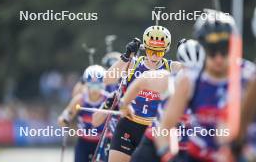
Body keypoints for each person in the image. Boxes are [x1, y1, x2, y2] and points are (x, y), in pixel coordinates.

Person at [155, 10, 256, 162]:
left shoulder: (249, 77)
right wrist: (168, 155)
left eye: (224, 50)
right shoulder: (189, 80)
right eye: (212, 52)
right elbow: (164, 128)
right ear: (202, 48)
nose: (219, 58)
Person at [118, 39, 205, 162]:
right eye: (188, 71)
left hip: (188, 147)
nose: (191, 77)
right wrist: (124, 104)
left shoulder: (211, 87)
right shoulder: (168, 79)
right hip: (154, 142)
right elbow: (142, 80)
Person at [103, 25, 182, 162]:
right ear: (145, 47)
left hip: (154, 129)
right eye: (151, 50)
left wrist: (186, 54)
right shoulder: (133, 64)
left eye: (159, 52)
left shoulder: (172, 67)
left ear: (166, 50)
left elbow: (196, 74)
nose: (154, 56)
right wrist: (126, 56)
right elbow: (107, 79)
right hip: (129, 125)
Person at [58, 65, 108, 162]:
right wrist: (65, 120)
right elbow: (63, 119)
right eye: (92, 83)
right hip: (83, 142)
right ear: (86, 83)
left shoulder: (108, 99)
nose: (95, 86)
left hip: (102, 142)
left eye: (98, 82)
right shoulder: (79, 100)